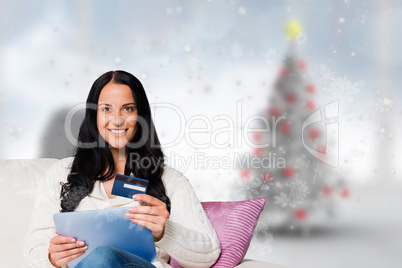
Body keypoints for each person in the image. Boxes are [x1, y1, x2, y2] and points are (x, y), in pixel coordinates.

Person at [24, 70, 221, 268]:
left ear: (141, 116)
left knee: (103, 256)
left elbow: (208, 254)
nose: (117, 120)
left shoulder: (169, 180)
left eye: (127, 109)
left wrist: (164, 232)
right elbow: (32, 254)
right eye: (107, 109)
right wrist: (51, 259)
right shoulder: (60, 174)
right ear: (93, 116)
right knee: (99, 259)